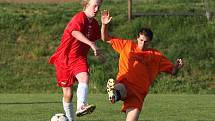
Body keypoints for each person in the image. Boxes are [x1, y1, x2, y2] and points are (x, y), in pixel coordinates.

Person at [101, 10, 184, 121]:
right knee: (121, 87)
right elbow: (106, 38)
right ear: (137, 38)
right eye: (141, 40)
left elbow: (173, 72)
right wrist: (104, 25)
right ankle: (114, 93)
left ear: (150, 42)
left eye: (146, 42)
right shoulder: (127, 45)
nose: (142, 44)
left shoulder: (156, 56)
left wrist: (177, 67)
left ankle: (115, 94)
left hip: (139, 94)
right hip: (125, 83)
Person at [49, 0, 105, 121]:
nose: (97, 9)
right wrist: (91, 44)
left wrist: (98, 51)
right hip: (64, 58)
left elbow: (97, 38)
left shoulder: (94, 24)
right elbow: (75, 32)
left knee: (84, 77)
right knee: (68, 95)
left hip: (78, 58)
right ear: (86, 5)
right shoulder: (80, 17)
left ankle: (81, 106)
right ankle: (71, 119)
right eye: (94, 6)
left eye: (99, 6)